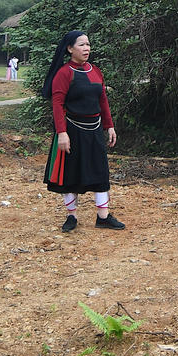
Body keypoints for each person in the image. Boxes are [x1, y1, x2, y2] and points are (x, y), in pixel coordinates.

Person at [41, 31, 125, 232]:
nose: (87, 48)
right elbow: (57, 104)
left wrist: (109, 125)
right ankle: (72, 217)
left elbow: (102, 100)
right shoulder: (64, 73)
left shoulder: (95, 71)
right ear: (70, 49)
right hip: (72, 131)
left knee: (100, 171)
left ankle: (103, 216)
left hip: (94, 130)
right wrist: (62, 133)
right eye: (82, 45)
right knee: (70, 174)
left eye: (88, 44)